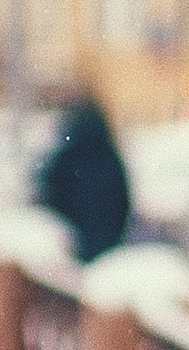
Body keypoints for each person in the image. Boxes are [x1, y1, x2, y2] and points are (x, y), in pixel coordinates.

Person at [32, 85, 131, 263]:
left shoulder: (69, 154)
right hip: (108, 243)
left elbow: (49, 190)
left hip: (73, 242)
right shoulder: (110, 157)